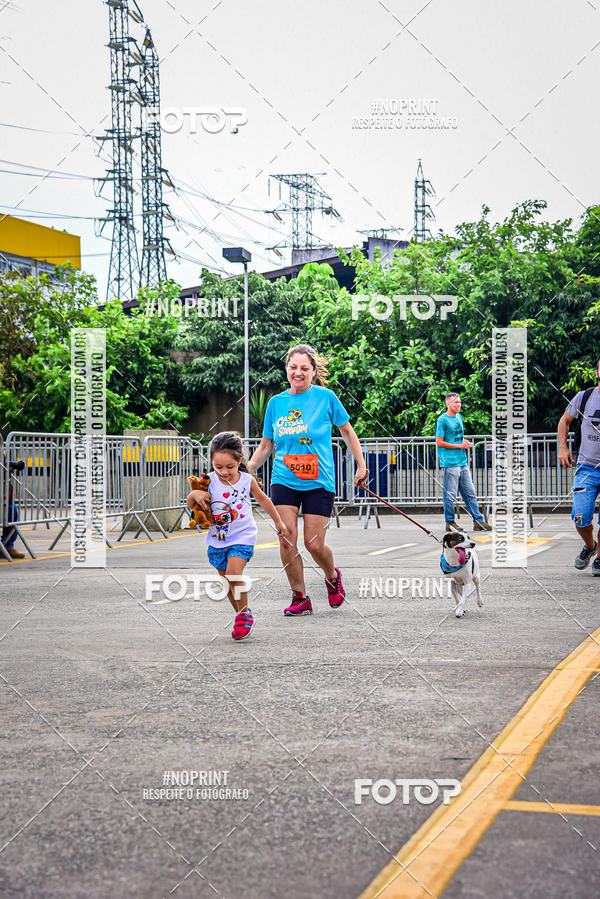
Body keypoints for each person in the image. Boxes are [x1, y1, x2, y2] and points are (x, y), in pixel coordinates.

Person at [247, 343, 368, 616]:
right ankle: (300, 596)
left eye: (304, 368)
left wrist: (361, 465)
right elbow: (267, 446)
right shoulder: (276, 403)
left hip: (319, 480)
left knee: (313, 544)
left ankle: (332, 576)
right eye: (293, 367)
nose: (297, 372)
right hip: (284, 479)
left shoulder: (326, 398)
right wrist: (247, 469)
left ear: (313, 371)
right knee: (286, 537)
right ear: (286, 369)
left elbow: (347, 432)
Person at [187, 431, 287, 640]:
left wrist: (278, 522)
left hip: (243, 536)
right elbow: (192, 504)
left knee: (234, 573)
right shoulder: (208, 481)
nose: (224, 472)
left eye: (230, 467)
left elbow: (265, 500)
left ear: (239, 460)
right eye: (218, 467)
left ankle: (243, 614)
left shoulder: (246, 480)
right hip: (217, 540)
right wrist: (193, 495)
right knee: (226, 582)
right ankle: (242, 614)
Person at [558, 359, 600, 575]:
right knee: (580, 516)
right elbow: (564, 421)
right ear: (597, 372)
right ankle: (590, 546)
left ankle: (599, 558)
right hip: (587, 468)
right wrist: (563, 447)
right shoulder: (585, 397)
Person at [435, 392, 492, 533]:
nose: (459, 405)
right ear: (448, 403)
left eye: (460, 402)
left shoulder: (459, 417)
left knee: (470, 493)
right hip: (450, 462)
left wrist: (463, 442)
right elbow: (439, 442)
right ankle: (450, 522)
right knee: (450, 495)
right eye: (456, 402)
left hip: (462, 461)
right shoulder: (442, 420)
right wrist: (459, 446)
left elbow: (455, 438)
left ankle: (478, 521)